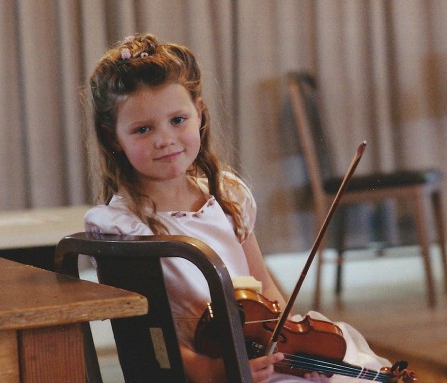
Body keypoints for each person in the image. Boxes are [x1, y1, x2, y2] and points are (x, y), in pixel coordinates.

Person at [84, 34, 394, 383]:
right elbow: (146, 337)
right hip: (199, 374)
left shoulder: (226, 197)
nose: (165, 139)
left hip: (257, 362)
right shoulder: (123, 225)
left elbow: (266, 290)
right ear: (113, 138)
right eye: (143, 129)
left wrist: (290, 348)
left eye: (177, 120)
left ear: (198, 112)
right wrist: (217, 371)